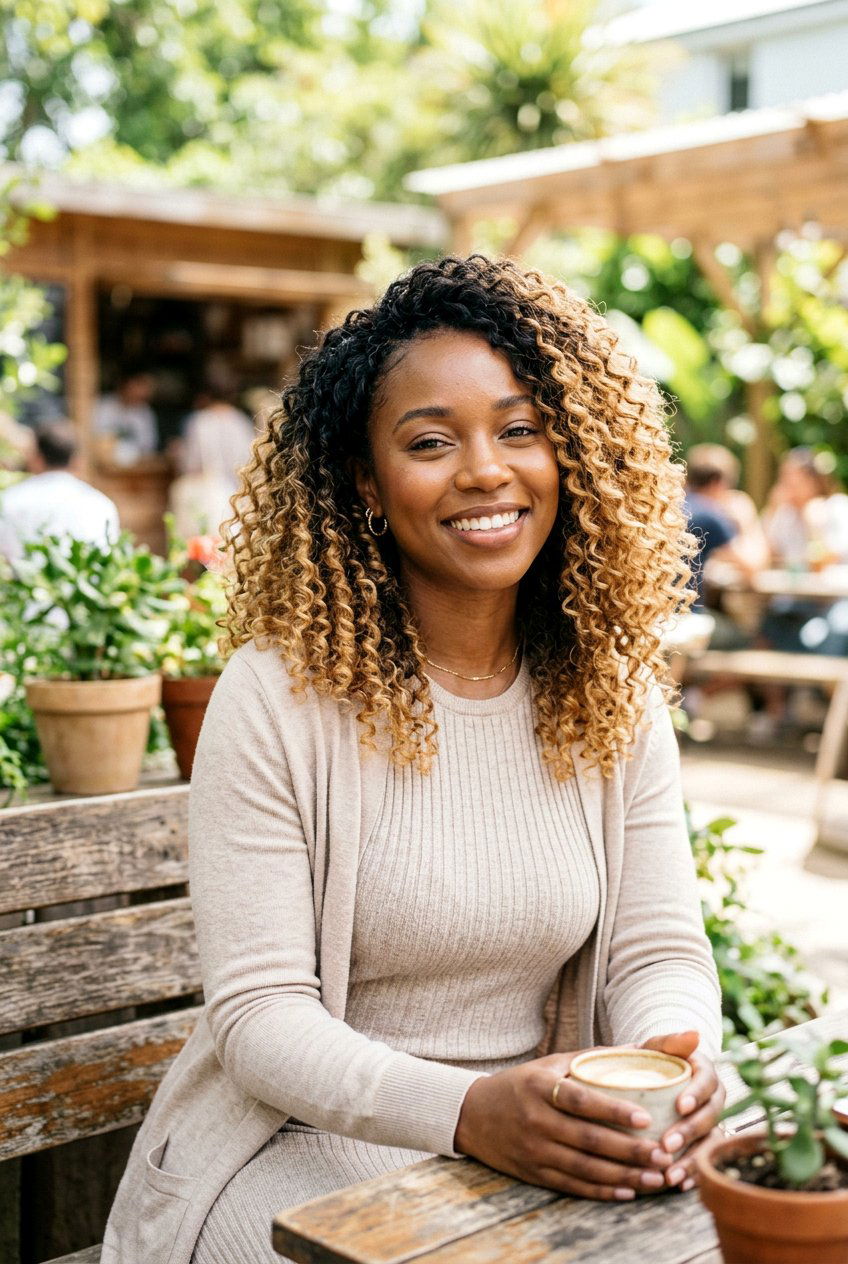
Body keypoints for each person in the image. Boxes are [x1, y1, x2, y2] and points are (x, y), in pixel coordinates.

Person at [104, 256, 723, 1264]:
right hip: (287, 1152)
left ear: (570, 452)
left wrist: (668, 1064)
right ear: (366, 481)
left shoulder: (607, 690)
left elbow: (657, 951)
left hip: (534, 1140)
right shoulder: (276, 697)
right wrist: (472, 1110)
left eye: (519, 428)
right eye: (430, 441)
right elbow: (261, 1019)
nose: (485, 469)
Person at [761, 447, 848, 657]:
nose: (786, 484)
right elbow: (764, 557)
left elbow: (823, 562)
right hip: (792, 601)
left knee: (835, 633)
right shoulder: (784, 514)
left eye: (793, 477)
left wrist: (813, 525)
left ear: (813, 480)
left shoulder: (836, 507)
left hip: (832, 601)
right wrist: (771, 510)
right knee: (763, 634)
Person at [0, 420, 119, 561]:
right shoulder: (101, 504)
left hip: (22, 581)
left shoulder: (9, 500)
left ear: (36, 459)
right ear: (77, 460)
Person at [168, 375, 256, 537]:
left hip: (210, 498)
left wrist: (177, 453)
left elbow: (191, 464)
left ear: (205, 396)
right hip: (238, 498)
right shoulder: (241, 422)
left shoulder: (201, 422)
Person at [93, 369, 158, 462]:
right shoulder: (103, 406)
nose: (143, 391)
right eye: (139, 384)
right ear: (125, 384)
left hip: (137, 469)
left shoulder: (145, 412)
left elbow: (149, 447)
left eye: (147, 386)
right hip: (105, 467)